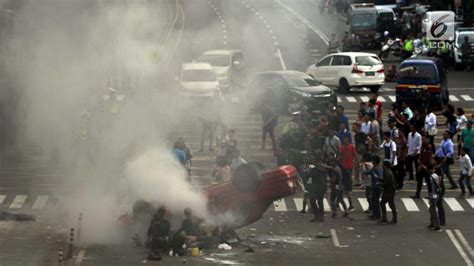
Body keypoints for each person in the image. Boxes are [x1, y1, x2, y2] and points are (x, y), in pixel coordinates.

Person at [411, 134, 433, 199]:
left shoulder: (429, 146)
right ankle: (417, 194)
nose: (422, 140)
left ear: (427, 139)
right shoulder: (423, 146)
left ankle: (430, 194)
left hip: (426, 166)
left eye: (424, 139)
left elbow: (428, 158)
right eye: (422, 139)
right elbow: (421, 155)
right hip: (421, 166)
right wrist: (419, 163)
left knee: (428, 181)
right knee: (419, 181)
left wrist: (422, 165)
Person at [308, 151, 327, 222]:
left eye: (313, 160)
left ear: (316, 161)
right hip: (322, 186)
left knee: (312, 201)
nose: (312, 161)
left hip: (317, 187)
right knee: (320, 201)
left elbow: (308, 175)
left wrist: (307, 171)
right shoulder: (322, 167)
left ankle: (317, 216)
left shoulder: (315, 169)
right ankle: (321, 216)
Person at [339, 135, 355, 211]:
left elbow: (354, 156)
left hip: (349, 167)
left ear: (348, 140)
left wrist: (354, 164)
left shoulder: (352, 147)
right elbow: (341, 155)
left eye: (346, 139)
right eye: (344, 139)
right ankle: (338, 203)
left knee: (346, 187)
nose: (345, 141)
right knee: (342, 185)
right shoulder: (341, 147)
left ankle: (351, 204)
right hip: (343, 166)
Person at [427, 164, 443, 232]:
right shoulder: (435, 175)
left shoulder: (430, 177)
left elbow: (430, 188)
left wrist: (429, 196)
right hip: (437, 194)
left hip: (433, 195)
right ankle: (432, 223)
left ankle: (437, 226)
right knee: (431, 209)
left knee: (433, 210)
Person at [368, 155, 383, 220]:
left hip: (377, 187)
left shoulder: (377, 169)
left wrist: (376, 176)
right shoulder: (374, 168)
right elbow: (368, 172)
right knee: (374, 201)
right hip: (374, 186)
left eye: (373, 161)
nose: (372, 162)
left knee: (376, 201)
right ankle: (374, 214)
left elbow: (380, 177)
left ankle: (377, 215)